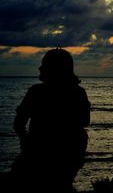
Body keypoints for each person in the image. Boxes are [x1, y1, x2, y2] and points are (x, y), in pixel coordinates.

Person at [10, 48, 90, 192]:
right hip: (70, 154)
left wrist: (27, 142)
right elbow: (84, 121)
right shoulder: (78, 92)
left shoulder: (36, 92)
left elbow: (18, 123)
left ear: (53, 68)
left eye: (44, 64)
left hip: (40, 154)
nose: (40, 67)